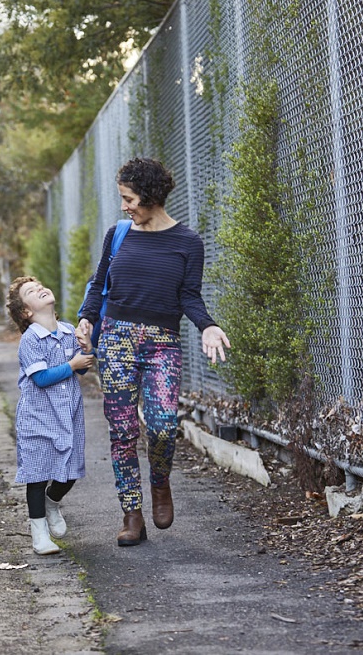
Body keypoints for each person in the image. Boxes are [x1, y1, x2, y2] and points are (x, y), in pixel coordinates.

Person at [76, 157, 230, 547]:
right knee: (124, 432)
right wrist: (87, 319)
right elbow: (99, 283)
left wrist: (208, 325)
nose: (125, 206)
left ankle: (160, 482)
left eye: (129, 198)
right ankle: (132, 512)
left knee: (162, 425)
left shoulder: (188, 243)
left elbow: (189, 297)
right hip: (116, 341)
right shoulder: (119, 234)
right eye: (122, 198)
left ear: (151, 197)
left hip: (163, 343)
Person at [6, 276, 93, 555]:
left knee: (70, 471)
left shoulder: (68, 331)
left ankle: (52, 502)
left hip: (68, 416)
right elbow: (42, 378)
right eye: (32, 291)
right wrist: (72, 364)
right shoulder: (30, 340)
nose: (41, 289)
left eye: (41, 285)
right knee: (37, 474)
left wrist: (86, 352)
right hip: (38, 417)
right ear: (26, 312)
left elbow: (81, 369)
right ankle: (39, 534)